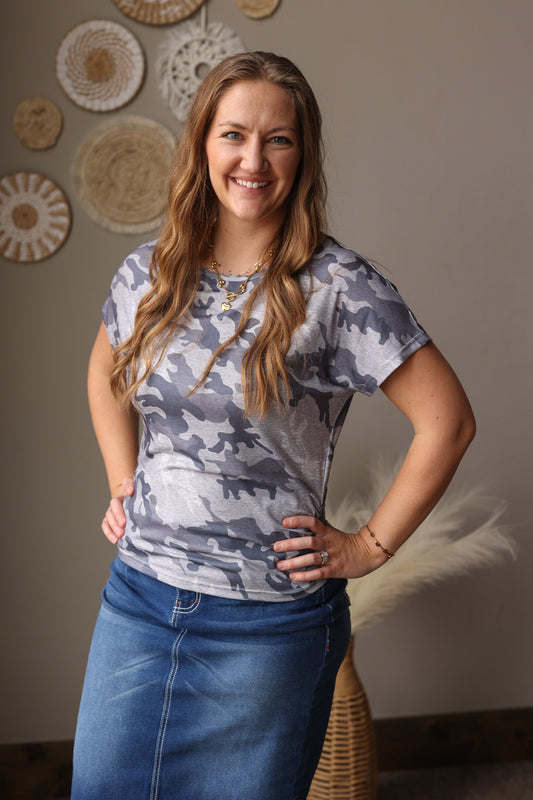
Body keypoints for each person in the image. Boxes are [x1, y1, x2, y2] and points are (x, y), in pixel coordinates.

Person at [71, 51, 475, 800]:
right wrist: (123, 481)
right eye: (233, 135)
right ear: (202, 144)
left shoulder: (339, 287)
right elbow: (103, 373)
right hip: (138, 601)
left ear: (303, 154)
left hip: (265, 626)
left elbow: (447, 422)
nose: (253, 159)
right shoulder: (149, 273)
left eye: (278, 139)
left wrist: (368, 546)